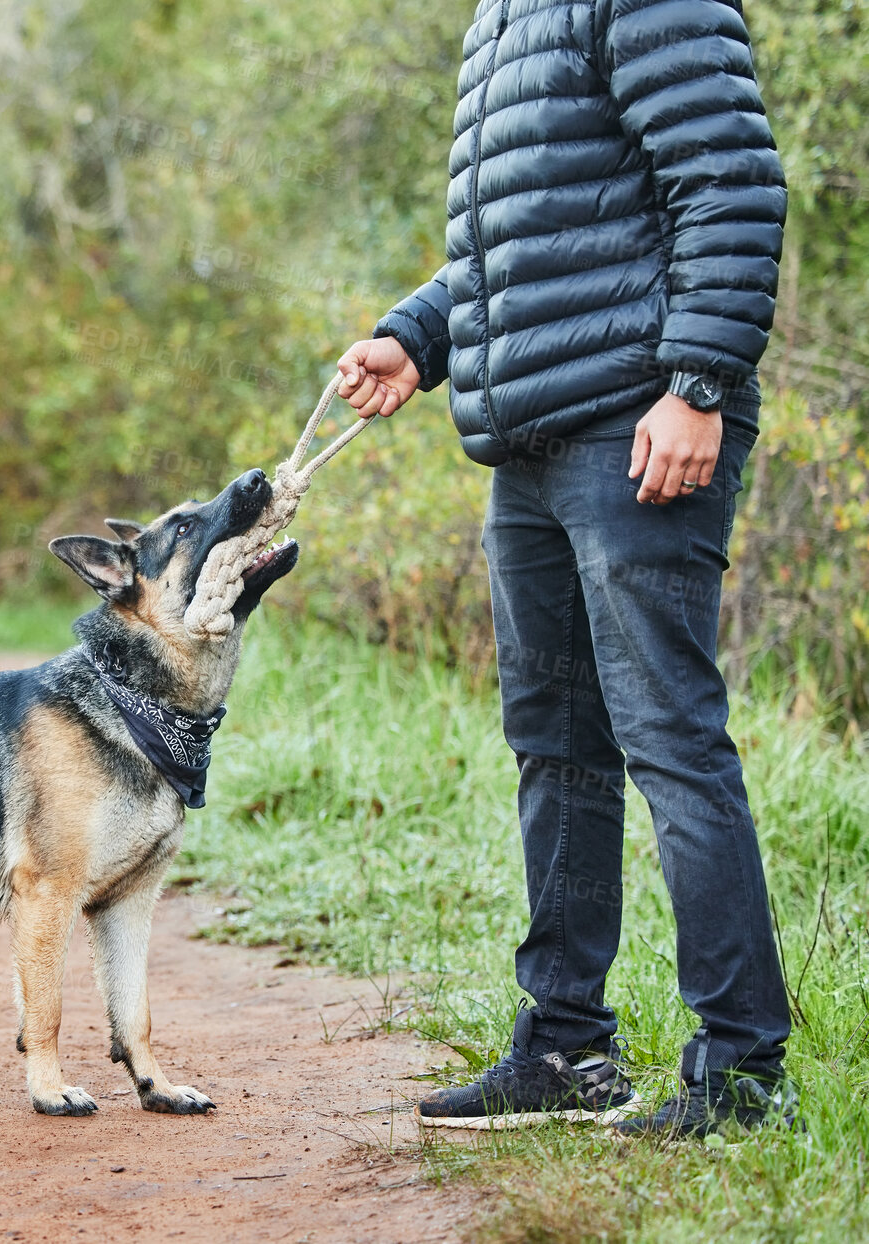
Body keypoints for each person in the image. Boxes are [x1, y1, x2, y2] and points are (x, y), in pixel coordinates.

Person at [332, 0, 796, 1137]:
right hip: (532, 446)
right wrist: (419, 334)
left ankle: (739, 1075)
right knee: (555, 748)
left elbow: (729, 181)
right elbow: (525, 247)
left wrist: (695, 384)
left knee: (669, 739)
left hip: (638, 429)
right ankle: (565, 1045)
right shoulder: (506, 18)